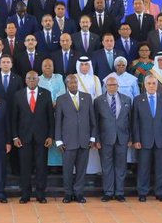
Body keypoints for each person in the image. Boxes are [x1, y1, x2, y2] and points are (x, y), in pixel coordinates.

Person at [11, 71, 54, 203]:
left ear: (38, 80)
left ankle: (40, 194)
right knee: (25, 167)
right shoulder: (18, 95)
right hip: (24, 138)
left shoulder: (46, 94)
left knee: (41, 167)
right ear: (25, 80)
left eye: (34, 78)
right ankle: (25, 194)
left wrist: (50, 136)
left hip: (42, 138)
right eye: (29, 78)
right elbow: (14, 118)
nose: (31, 80)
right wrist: (15, 137)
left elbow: (50, 118)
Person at [56, 73, 96, 203]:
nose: (73, 84)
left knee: (81, 169)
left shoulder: (87, 97)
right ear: (66, 84)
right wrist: (58, 140)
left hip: (84, 141)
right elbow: (58, 121)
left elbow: (92, 119)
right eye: (70, 82)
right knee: (67, 170)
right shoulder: (61, 99)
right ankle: (68, 193)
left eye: (75, 82)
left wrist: (92, 138)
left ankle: (79, 193)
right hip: (68, 141)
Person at [133, 74, 162, 202]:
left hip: (161, 139)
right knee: (143, 168)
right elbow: (135, 121)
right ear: (144, 85)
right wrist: (136, 139)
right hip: (144, 140)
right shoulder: (138, 100)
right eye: (149, 83)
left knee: (161, 168)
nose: (151, 86)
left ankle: (160, 192)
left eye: (154, 83)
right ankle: (142, 192)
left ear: (157, 85)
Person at [95, 73, 131, 202]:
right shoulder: (98, 101)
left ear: (118, 86)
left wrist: (131, 138)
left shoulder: (127, 99)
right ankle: (108, 192)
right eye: (109, 85)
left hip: (122, 138)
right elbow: (95, 122)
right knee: (106, 166)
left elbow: (130, 120)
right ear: (105, 86)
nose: (112, 87)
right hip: (105, 138)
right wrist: (96, 139)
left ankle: (120, 192)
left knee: (121, 166)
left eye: (114, 85)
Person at [75, 56, 102, 174]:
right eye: (82, 65)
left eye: (86, 64)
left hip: (92, 112)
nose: (84, 67)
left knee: (92, 137)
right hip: (78, 113)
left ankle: (94, 169)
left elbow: (99, 96)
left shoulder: (95, 79)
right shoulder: (74, 78)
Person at [38, 58, 65, 169]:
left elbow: (62, 91)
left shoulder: (59, 77)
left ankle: (59, 165)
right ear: (42, 67)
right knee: (48, 136)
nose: (48, 67)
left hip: (58, 111)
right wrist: (49, 103)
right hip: (44, 113)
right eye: (45, 65)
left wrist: (55, 101)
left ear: (53, 67)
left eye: (50, 65)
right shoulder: (38, 79)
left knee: (58, 135)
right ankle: (49, 165)